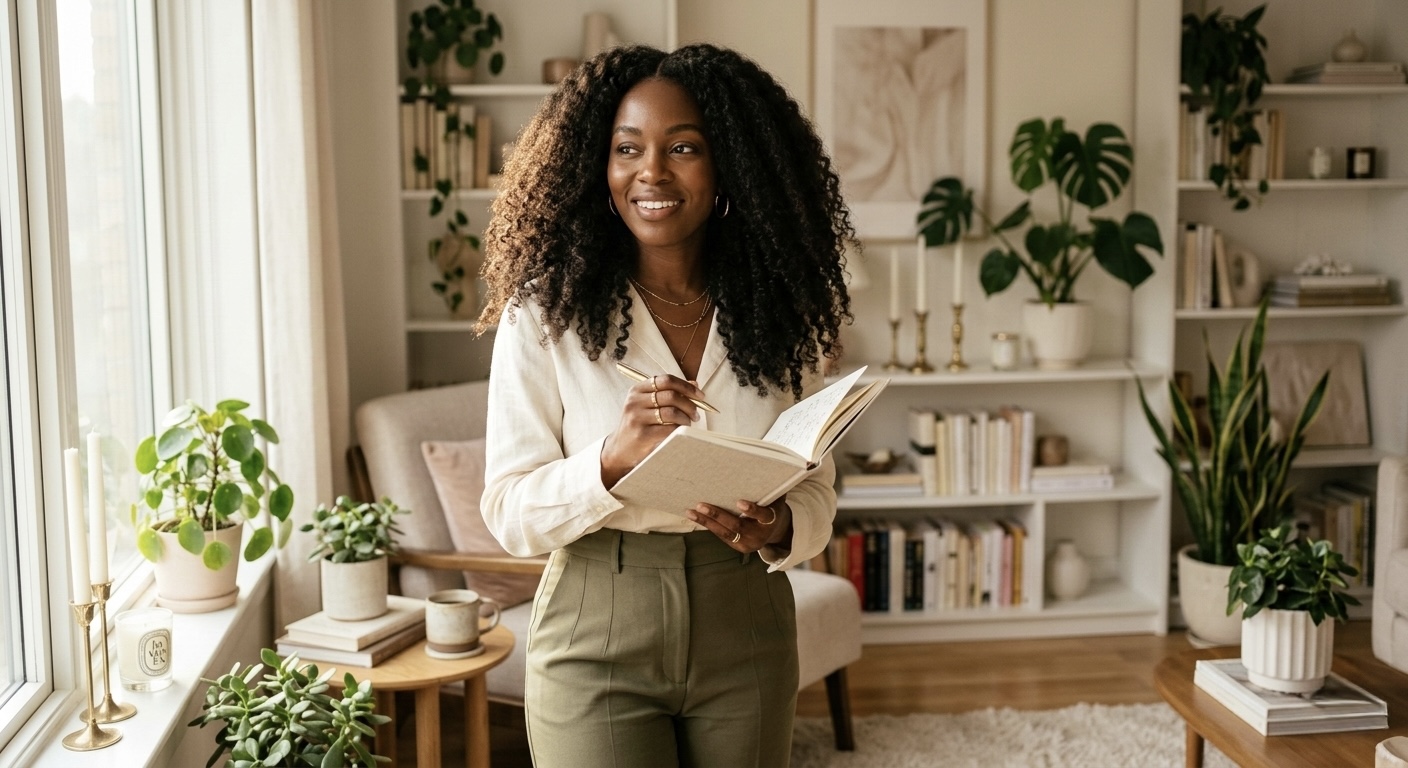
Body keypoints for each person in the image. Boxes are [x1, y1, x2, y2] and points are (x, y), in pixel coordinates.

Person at [476, 43, 854, 768]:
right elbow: (509, 513)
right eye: (627, 149)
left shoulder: (779, 313)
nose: (651, 171)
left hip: (745, 617)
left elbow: (817, 488)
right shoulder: (544, 316)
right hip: (597, 623)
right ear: (599, 167)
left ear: (727, 168)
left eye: (683, 147)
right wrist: (609, 464)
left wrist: (778, 526)